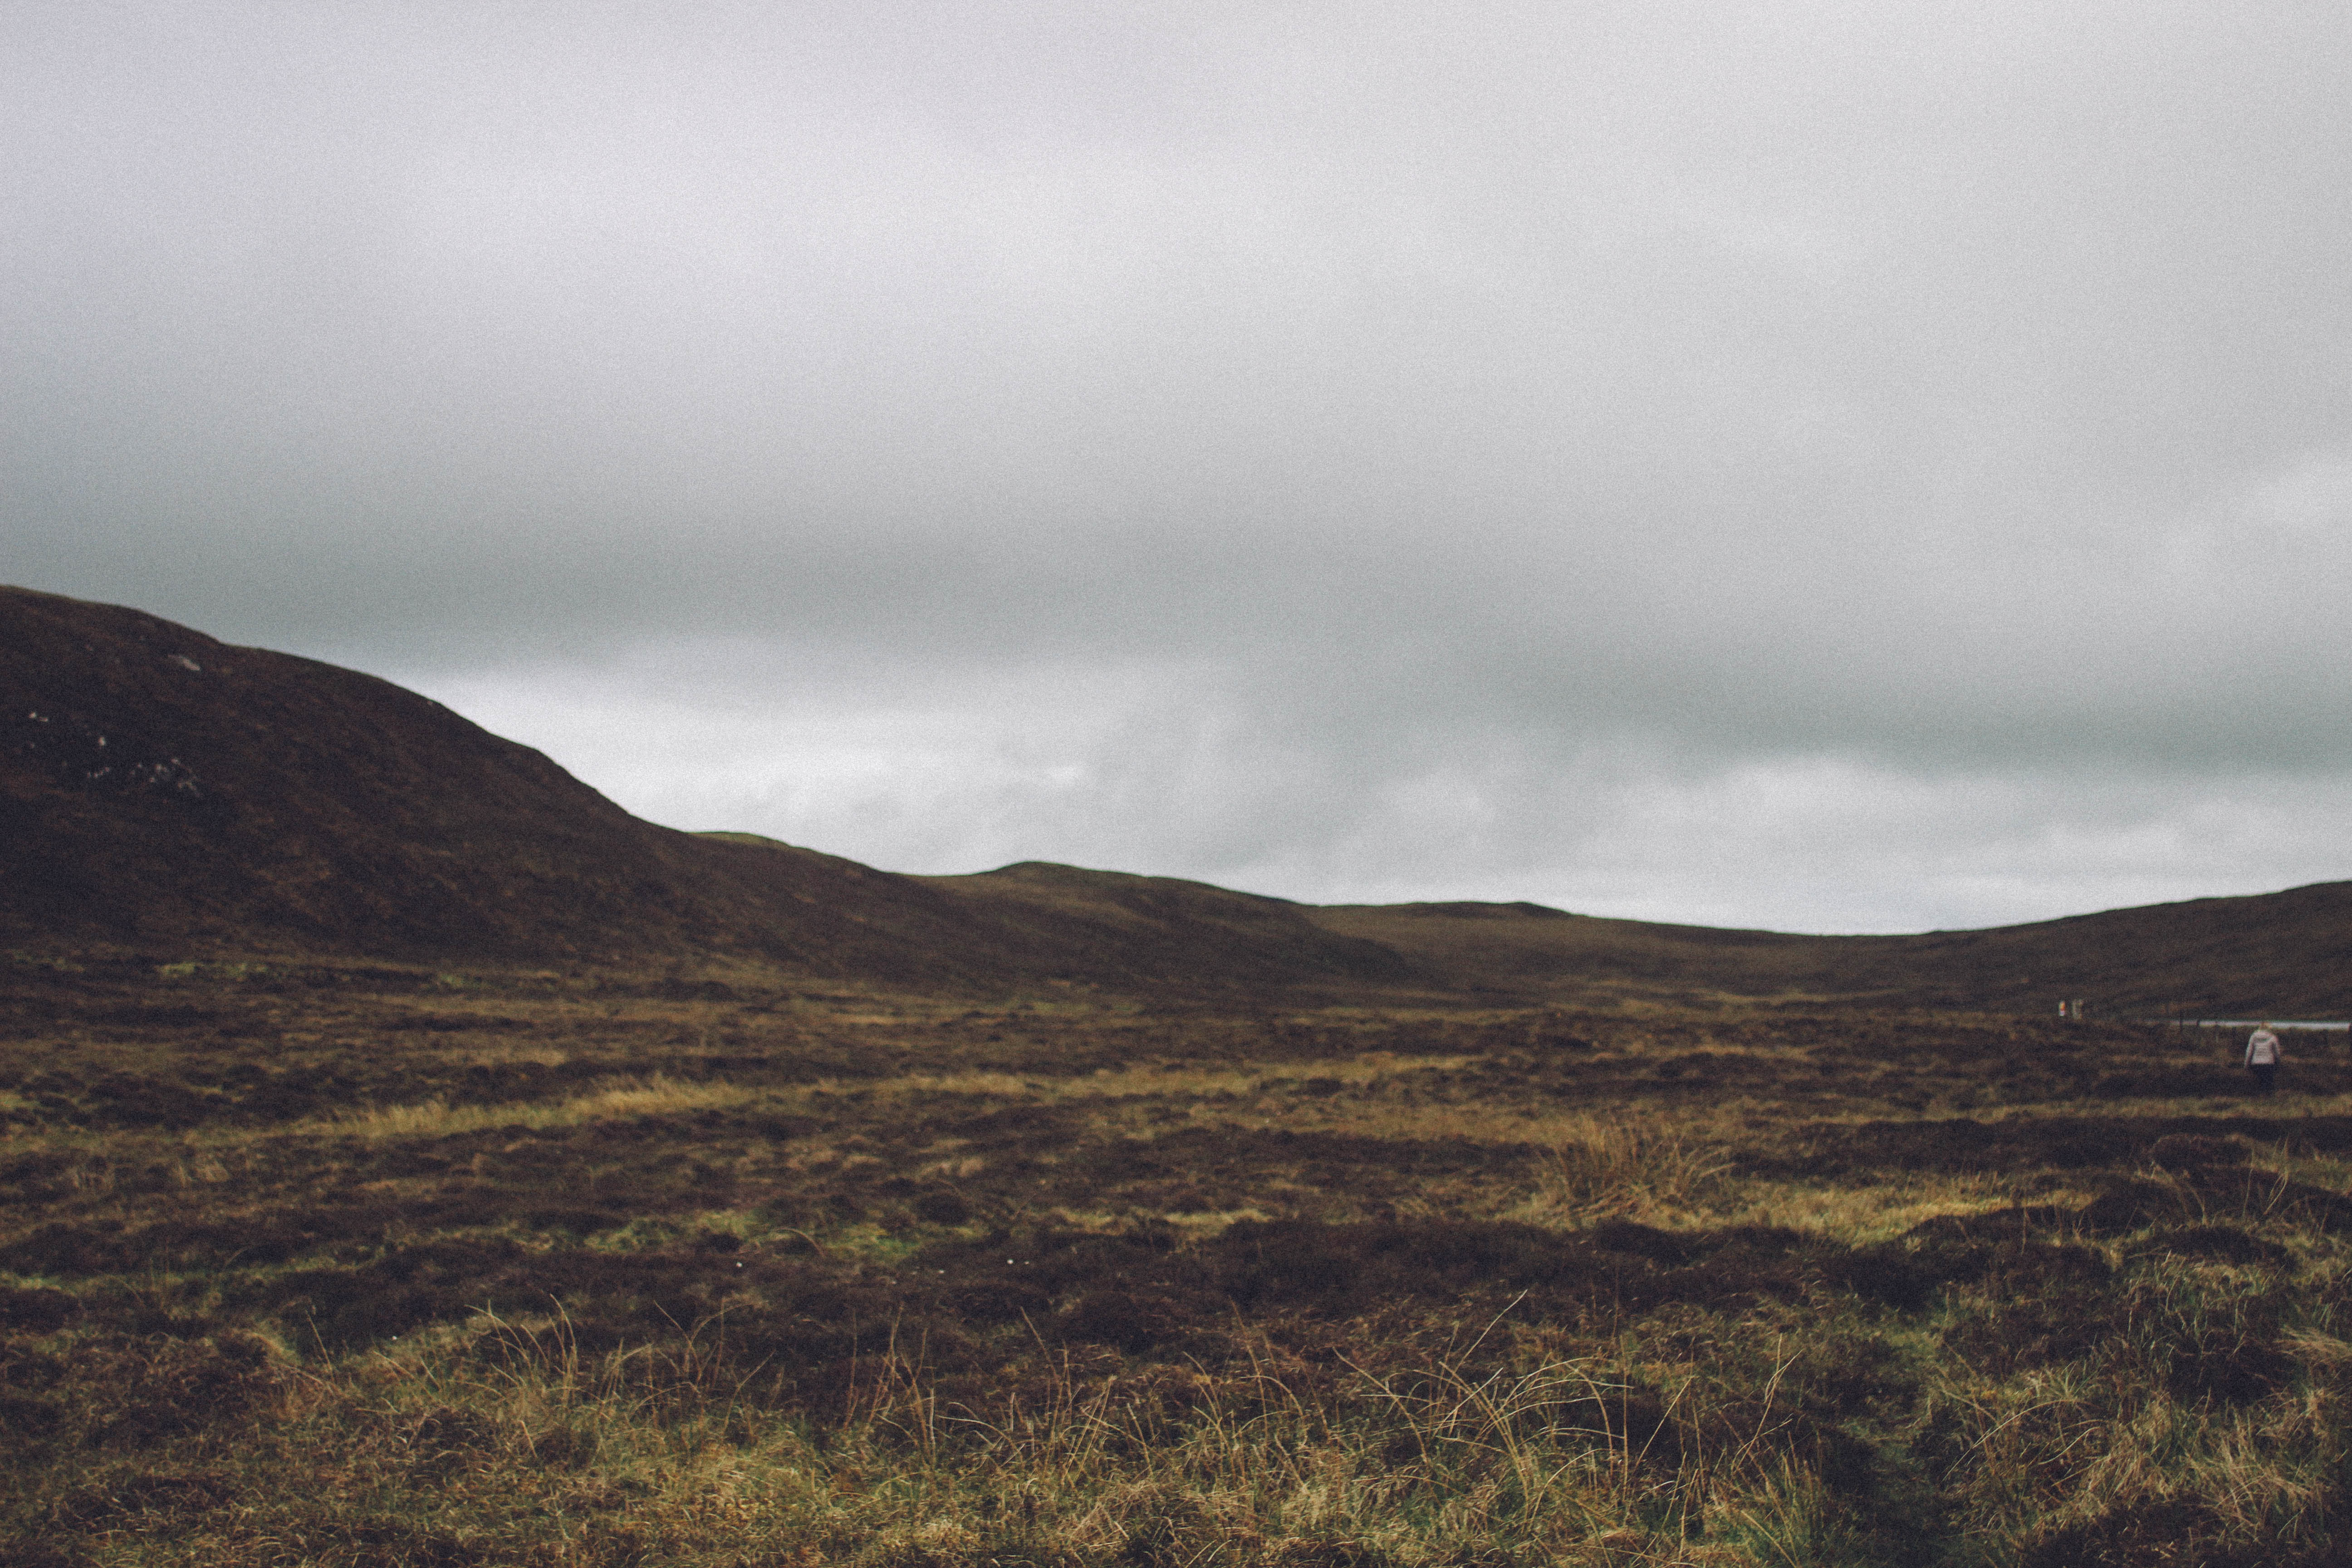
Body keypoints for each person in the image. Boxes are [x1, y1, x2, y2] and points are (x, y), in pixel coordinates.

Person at [2246, 1023, 2282, 1094]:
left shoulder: (2253, 1037)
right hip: (2269, 1064)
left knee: (2259, 1081)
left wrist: (2247, 1064)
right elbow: (2277, 1053)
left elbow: (2249, 1052)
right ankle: (2268, 1097)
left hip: (2256, 1063)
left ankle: (2259, 1096)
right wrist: (2278, 1062)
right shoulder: (2273, 1037)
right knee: (2269, 1082)